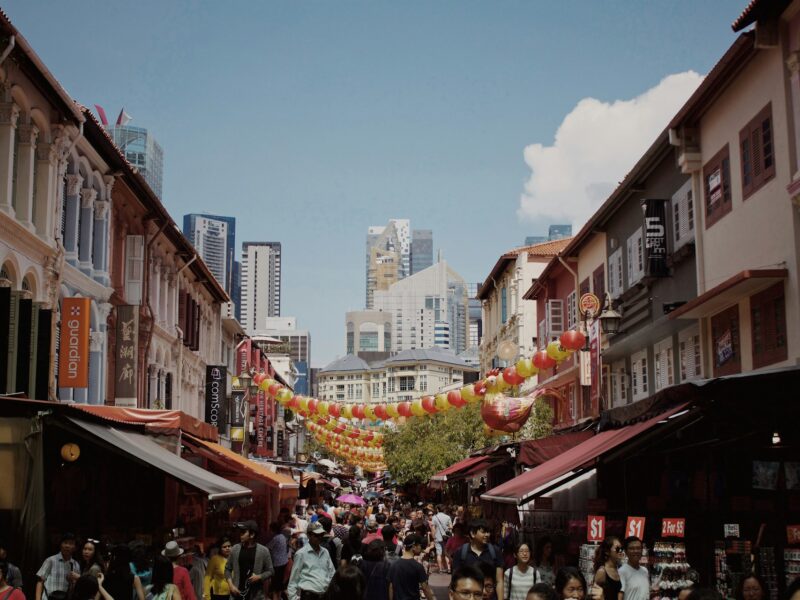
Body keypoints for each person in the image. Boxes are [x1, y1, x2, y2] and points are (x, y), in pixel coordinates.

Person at [451, 520, 504, 600]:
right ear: (472, 533)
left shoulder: (495, 551)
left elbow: (499, 580)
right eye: (483, 532)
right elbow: (455, 580)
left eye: (488, 532)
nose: (487, 535)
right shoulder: (461, 552)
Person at [225, 521, 274, 600]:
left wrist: (259, 577)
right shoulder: (235, 549)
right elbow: (227, 569)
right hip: (236, 594)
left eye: (243, 532)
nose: (240, 534)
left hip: (256, 595)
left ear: (252, 534)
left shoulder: (263, 551)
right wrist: (231, 586)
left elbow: (271, 571)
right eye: (240, 532)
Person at [286, 522, 335, 600]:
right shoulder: (301, 554)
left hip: (325, 595)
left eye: (321, 535)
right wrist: (293, 598)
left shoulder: (325, 552)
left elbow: (332, 573)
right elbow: (293, 579)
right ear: (309, 535)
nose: (319, 537)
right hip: (309, 596)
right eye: (316, 535)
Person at [387, 534, 434, 600]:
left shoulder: (394, 565)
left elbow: (391, 587)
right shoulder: (418, 566)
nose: (421, 548)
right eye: (420, 545)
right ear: (414, 547)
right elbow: (425, 588)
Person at [36, 533, 81, 600]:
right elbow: (40, 582)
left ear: (75, 548)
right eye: (65, 543)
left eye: (71, 543)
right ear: (60, 545)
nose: (67, 546)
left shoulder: (76, 564)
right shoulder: (50, 560)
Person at [265, 524, 288, 600]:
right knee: (280, 581)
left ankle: (275, 597)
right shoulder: (282, 537)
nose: (269, 532)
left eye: (270, 530)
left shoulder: (275, 538)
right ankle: (279, 597)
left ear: (273, 530)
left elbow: (267, 548)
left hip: (277, 563)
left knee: (275, 584)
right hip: (284, 562)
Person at [432, 505, 453, 575]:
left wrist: (433, 536)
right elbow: (451, 527)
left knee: (439, 554)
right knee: (447, 553)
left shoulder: (434, 517)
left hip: (438, 537)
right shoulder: (448, 517)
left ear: (437, 509)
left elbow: (433, 528)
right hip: (446, 537)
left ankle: (440, 569)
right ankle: (449, 568)